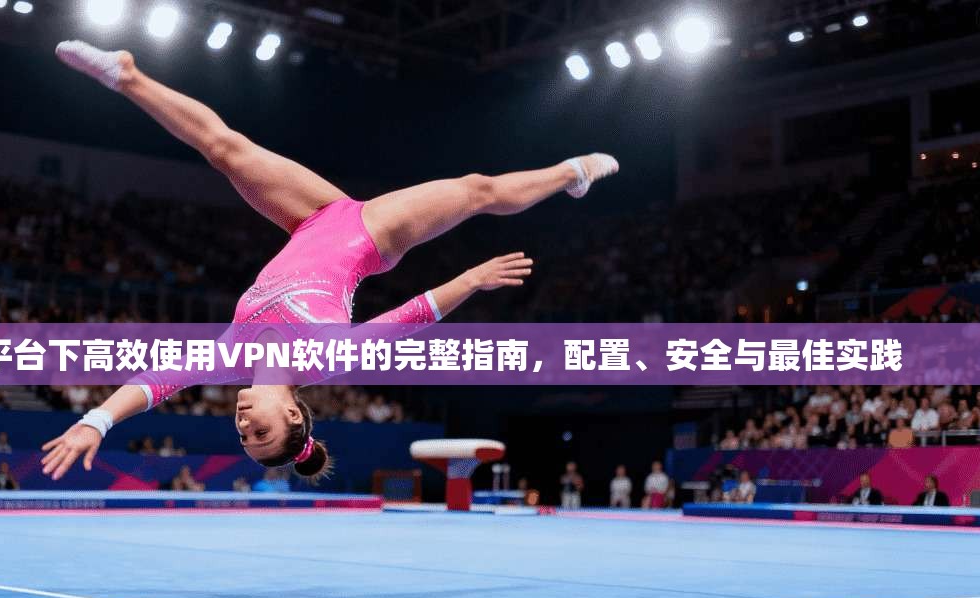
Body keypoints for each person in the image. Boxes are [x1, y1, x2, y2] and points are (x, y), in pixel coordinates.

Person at [42, 40, 619, 483]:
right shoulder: (325, 358)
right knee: (477, 190)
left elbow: (154, 382)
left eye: (245, 438)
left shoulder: (229, 355)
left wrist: (96, 421)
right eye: (260, 432)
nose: (244, 426)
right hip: (370, 236)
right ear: (294, 416)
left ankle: (127, 75)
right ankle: (569, 174)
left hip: (311, 218)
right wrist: (470, 279)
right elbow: (407, 319)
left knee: (226, 150)